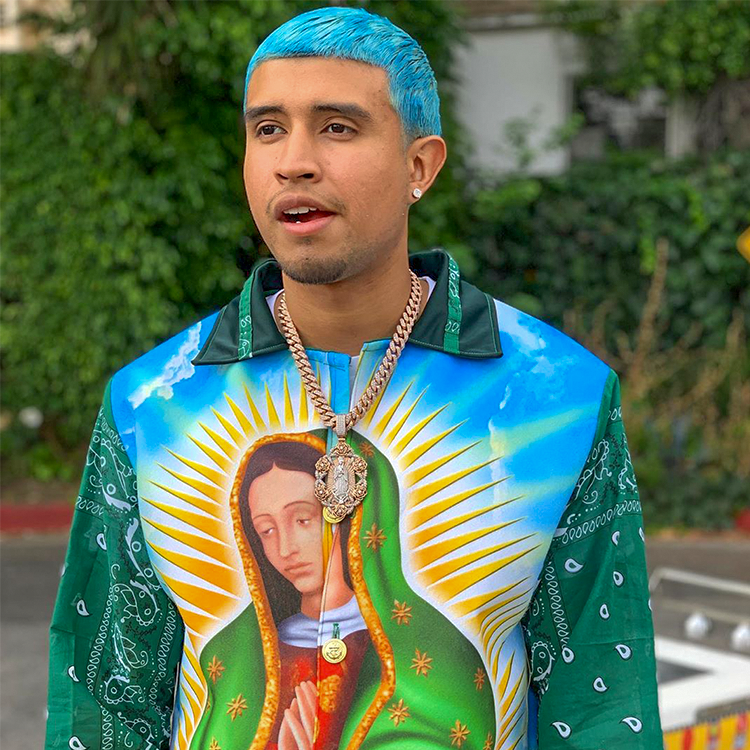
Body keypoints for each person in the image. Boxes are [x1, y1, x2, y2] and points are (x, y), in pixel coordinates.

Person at [45, 6, 663, 750]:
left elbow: (602, 702)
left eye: (337, 127)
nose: (293, 162)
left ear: (419, 166)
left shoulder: (557, 395)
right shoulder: (151, 404)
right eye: (268, 129)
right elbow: (104, 703)